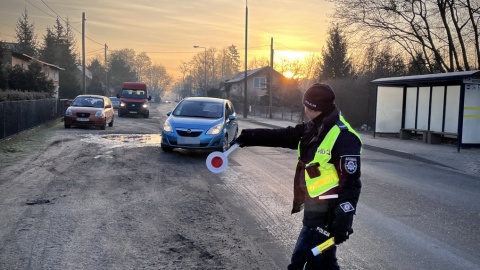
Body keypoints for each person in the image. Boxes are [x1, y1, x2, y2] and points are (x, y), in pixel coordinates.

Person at [232, 83, 362, 269]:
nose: (304, 108)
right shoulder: (314, 128)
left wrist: (344, 218)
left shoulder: (344, 137)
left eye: (306, 104)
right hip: (314, 207)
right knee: (321, 262)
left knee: (300, 261)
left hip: (328, 213)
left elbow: (351, 183)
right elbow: (284, 136)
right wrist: (249, 136)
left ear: (315, 107)